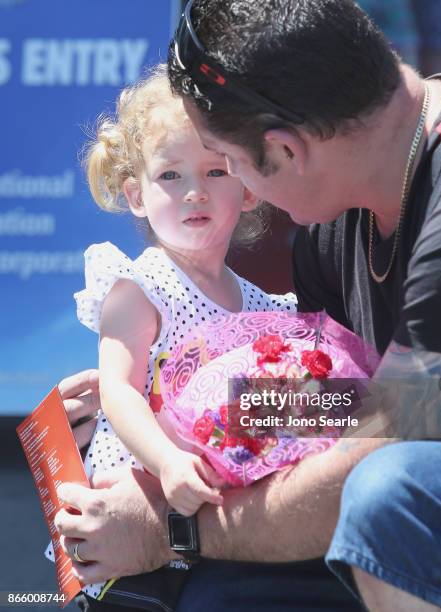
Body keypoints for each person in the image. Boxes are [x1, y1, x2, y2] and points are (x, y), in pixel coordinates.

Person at [55, 1, 441, 610]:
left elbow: (376, 453)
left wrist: (171, 530)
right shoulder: (331, 225)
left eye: (227, 166)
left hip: (419, 503)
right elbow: (323, 411)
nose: (239, 191)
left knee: (392, 492)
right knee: (213, 595)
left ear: (283, 150)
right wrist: (168, 415)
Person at [49, 66, 296, 610]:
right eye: (170, 176)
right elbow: (119, 391)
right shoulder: (140, 288)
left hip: (210, 514)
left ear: (248, 188)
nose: (193, 193)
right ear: (136, 195)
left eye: (214, 172)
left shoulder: (262, 303)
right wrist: (167, 462)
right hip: (135, 499)